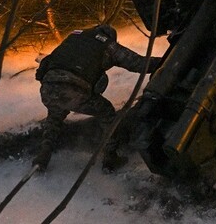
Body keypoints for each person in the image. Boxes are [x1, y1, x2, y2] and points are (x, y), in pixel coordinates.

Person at [33, 24, 161, 172]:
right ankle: (110, 158)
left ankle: (43, 156)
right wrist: (166, 61)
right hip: (73, 89)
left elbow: (48, 62)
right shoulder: (106, 44)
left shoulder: (74, 37)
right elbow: (139, 64)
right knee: (106, 111)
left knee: (54, 118)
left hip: (48, 88)